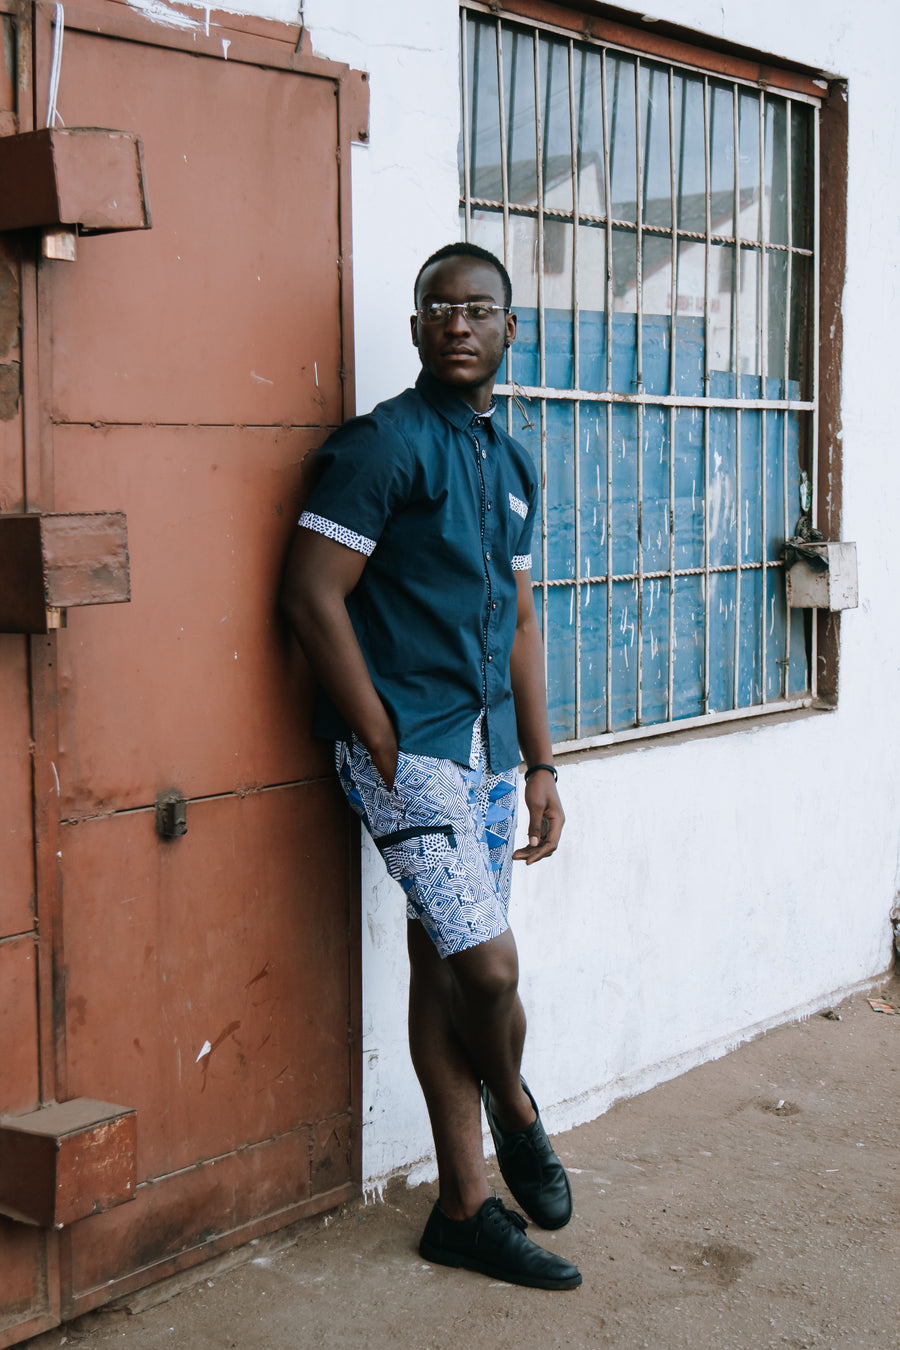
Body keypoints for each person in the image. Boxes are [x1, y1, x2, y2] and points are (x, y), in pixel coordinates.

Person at [281, 242, 581, 1291]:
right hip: (409, 751)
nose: (459, 321)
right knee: (488, 971)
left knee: (441, 964)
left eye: (480, 307)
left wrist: (542, 765)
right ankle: (520, 1105)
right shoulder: (383, 448)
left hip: (490, 754)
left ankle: (461, 1211)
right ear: (416, 330)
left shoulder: (512, 461)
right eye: (438, 307)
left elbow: (523, 621)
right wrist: (375, 732)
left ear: (509, 329)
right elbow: (313, 595)